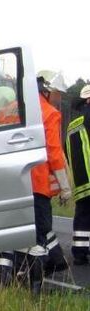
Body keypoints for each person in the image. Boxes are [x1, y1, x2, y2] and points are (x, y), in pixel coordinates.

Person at [28, 73, 72, 277]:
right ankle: (37, 278)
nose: (59, 98)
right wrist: (65, 187)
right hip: (37, 183)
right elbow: (53, 152)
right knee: (42, 227)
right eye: (58, 93)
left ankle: (56, 260)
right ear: (47, 90)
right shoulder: (49, 113)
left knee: (32, 228)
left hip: (14, 182)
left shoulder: (14, 107)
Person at [66, 84, 90, 265]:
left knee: (82, 214)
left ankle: (80, 253)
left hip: (81, 181)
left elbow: (67, 153)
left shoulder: (72, 124)